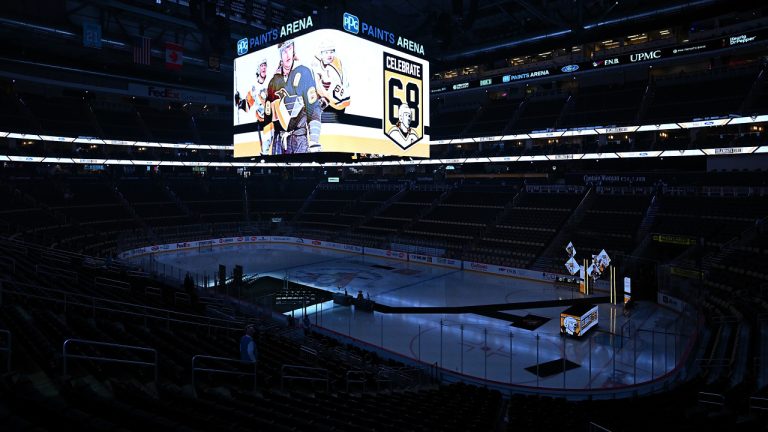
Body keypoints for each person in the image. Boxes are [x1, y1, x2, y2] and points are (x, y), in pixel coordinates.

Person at [269, 39, 323, 154]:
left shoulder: (304, 72)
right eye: (284, 51)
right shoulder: (274, 81)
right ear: (280, 55)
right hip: (279, 143)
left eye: (289, 48)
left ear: (294, 49)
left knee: (302, 171)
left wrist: (314, 141)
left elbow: (313, 108)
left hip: (299, 141)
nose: (287, 54)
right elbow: (269, 118)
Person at [312, 39, 350, 111]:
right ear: (321, 54)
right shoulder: (316, 60)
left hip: (339, 102)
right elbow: (316, 79)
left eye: (331, 52)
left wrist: (324, 97)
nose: (329, 54)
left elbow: (330, 93)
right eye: (326, 52)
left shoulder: (334, 70)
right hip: (328, 95)